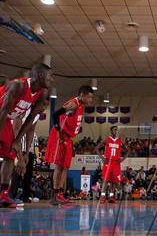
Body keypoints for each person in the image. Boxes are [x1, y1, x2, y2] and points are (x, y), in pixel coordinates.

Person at [0, 64, 52, 208]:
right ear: (40, 75)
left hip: (6, 120)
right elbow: (3, 111)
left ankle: (3, 194)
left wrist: (17, 143)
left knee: (10, 156)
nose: (52, 79)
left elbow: (30, 122)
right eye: (50, 76)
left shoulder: (41, 94)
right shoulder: (18, 86)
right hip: (2, 116)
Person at [44, 85, 94, 205]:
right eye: (89, 97)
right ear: (82, 95)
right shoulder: (73, 104)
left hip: (68, 137)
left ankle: (60, 193)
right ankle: (56, 195)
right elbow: (55, 115)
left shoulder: (81, 106)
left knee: (65, 166)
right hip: (60, 136)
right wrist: (58, 132)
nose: (91, 100)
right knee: (59, 166)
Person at [94, 126, 129, 204]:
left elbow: (128, 151)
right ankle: (102, 196)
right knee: (105, 180)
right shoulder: (107, 139)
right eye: (114, 130)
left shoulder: (120, 140)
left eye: (117, 130)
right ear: (111, 131)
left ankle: (111, 197)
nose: (116, 131)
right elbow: (96, 148)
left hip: (116, 163)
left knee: (114, 181)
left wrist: (122, 160)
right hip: (108, 162)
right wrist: (102, 158)